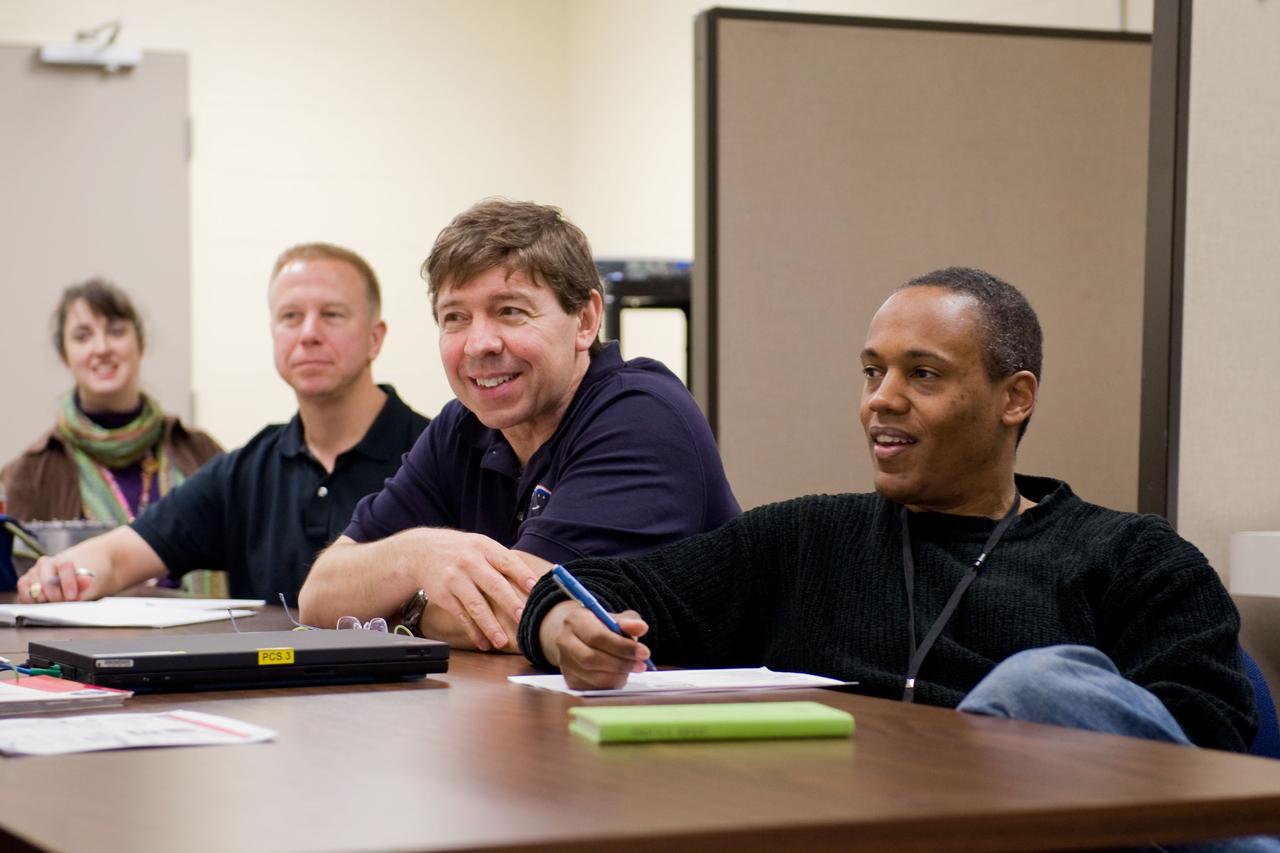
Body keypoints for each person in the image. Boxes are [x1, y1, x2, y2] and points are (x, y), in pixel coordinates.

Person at [520, 266, 1258, 759]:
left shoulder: (1133, 557)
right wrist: (565, 630)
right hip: (851, 828)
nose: (881, 398)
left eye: (923, 374)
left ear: (1015, 397)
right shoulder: (807, 537)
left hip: (1062, 831)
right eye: (874, 371)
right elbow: (580, 586)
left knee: (1042, 686)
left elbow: (1210, 756)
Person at [300, 199, 739, 652]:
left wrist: (400, 606)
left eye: (510, 310)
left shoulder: (642, 415)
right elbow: (319, 597)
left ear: (585, 321)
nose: (480, 343)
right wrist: (418, 554)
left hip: (691, 716)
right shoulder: (462, 426)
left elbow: (520, 611)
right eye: (455, 317)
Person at [15, 243, 429, 605]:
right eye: (290, 316)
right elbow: (120, 555)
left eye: (332, 315)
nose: (308, 334)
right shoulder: (245, 472)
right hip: (269, 697)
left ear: (375, 337)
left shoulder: (434, 455)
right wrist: (61, 574)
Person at [2, 279, 222, 524]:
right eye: (82, 337)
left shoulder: (200, 451)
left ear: (140, 343)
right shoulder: (30, 474)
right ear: (65, 354)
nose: (102, 348)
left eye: (115, 331)